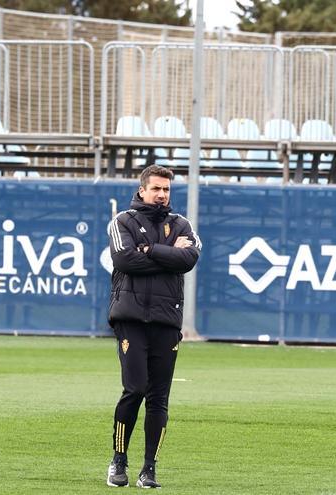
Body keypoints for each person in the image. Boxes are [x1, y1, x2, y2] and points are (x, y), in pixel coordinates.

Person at [105, 164, 201, 488]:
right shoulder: (122, 222)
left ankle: (149, 469)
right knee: (134, 389)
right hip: (130, 319)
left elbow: (190, 258)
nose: (162, 195)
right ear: (142, 189)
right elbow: (124, 260)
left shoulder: (182, 224)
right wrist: (167, 254)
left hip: (166, 322)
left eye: (167, 189)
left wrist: (151, 250)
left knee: (159, 399)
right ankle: (119, 460)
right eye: (157, 188)